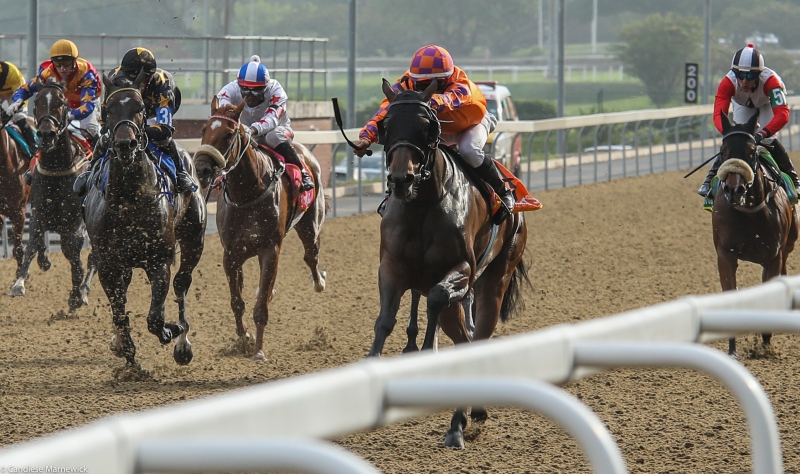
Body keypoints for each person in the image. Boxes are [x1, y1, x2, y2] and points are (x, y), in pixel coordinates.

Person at [352, 44, 515, 221]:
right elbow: (384, 112)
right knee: (409, 148)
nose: (427, 89)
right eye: (421, 85)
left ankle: (503, 192)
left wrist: (427, 101)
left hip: (473, 123)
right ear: (413, 79)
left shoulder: (460, 83)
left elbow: (451, 98)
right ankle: (391, 194)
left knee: (469, 151)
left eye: (435, 84)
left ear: (447, 78)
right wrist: (366, 138)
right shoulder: (405, 84)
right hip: (441, 126)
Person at [73, 47, 197, 196]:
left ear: (148, 78)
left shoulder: (163, 83)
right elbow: (106, 113)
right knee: (105, 138)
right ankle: (90, 170)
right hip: (125, 111)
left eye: (139, 81)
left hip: (153, 112)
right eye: (129, 79)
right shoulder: (114, 78)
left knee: (164, 140)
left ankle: (181, 172)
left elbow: (165, 129)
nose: (134, 84)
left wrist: (138, 132)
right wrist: (109, 130)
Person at [698, 43, 799, 197]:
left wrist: (762, 134)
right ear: (735, 74)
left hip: (767, 104)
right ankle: (709, 181)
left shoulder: (772, 82)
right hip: (743, 105)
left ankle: (795, 181)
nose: (744, 81)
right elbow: (718, 114)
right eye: (740, 76)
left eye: (750, 76)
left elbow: (782, 115)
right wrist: (729, 133)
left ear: (759, 74)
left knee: (768, 140)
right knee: (736, 140)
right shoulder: (727, 83)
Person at [215, 55, 314, 191]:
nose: (250, 96)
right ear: (239, 86)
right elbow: (223, 117)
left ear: (265, 88)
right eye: (245, 90)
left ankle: (303, 172)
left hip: (277, 130)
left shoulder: (276, 91)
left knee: (272, 137)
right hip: (244, 131)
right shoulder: (228, 91)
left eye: (256, 91)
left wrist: (252, 130)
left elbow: (272, 118)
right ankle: (219, 173)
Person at [0, 60, 36, 158]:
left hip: (14, 91)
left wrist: (14, 109)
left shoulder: (12, 73)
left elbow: (20, 97)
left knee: (19, 117)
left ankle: (33, 146)